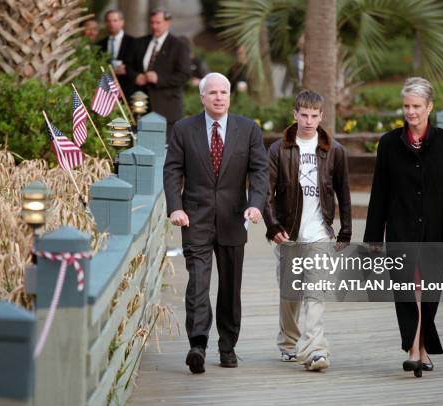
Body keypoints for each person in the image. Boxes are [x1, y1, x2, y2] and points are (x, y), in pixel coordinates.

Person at [363, 77, 443, 377]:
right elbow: (380, 193)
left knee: (428, 292)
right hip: (401, 229)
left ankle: (422, 347)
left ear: (429, 107)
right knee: (407, 289)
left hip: (437, 230)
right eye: (406, 106)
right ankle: (414, 349)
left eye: (416, 106)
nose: (410, 112)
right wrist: (373, 236)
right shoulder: (388, 144)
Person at [163, 72, 268, 374]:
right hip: (194, 218)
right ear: (202, 97)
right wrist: (175, 208)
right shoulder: (184, 129)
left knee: (230, 287)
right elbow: (172, 171)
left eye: (224, 92)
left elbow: (260, 171)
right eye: (213, 92)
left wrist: (255, 204)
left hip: (235, 218)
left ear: (230, 96)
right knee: (198, 282)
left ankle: (227, 346)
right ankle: (197, 344)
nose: (219, 97)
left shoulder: (247, 130)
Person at [263, 90, 352, 371]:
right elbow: (265, 192)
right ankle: (289, 342)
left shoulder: (334, 150)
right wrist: (272, 226)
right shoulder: (279, 150)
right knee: (290, 294)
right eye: (304, 115)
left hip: (319, 234)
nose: (309, 121)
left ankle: (315, 350)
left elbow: (343, 192)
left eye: (314, 116)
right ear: (295, 114)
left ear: (322, 116)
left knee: (316, 293)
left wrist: (345, 230)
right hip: (288, 233)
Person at [135, 8, 191, 143]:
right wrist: (136, 76)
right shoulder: (141, 42)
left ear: (167, 23)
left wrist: (159, 79)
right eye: (152, 23)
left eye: (158, 23)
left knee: (165, 152)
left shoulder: (178, 45)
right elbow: (130, 65)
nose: (154, 26)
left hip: (167, 109)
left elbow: (184, 75)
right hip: (142, 107)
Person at [97, 10, 139, 98]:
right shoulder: (100, 45)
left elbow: (138, 66)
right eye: (109, 21)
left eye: (115, 20)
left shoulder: (134, 42)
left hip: (128, 91)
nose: (112, 24)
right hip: (107, 92)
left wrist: (126, 69)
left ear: (122, 22)